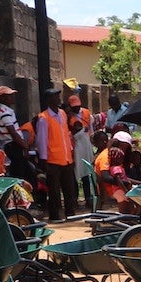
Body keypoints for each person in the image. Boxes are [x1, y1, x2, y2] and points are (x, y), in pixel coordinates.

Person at [35, 88, 79, 222]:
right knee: (54, 191)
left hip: (66, 158)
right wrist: (44, 160)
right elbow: (41, 141)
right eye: (55, 97)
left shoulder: (62, 114)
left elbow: (65, 134)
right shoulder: (43, 118)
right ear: (49, 100)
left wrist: (71, 152)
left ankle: (70, 214)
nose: (58, 99)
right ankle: (54, 216)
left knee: (69, 189)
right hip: (53, 160)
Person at [0, 85, 31, 181]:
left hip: (15, 145)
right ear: (2, 98)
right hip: (12, 145)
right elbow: (13, 132)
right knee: (19, 173)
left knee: (28, 171)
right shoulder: (3, 112)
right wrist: (24, 146)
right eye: (9, 96)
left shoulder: (8, 111)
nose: (12, 97)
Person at [67, 93, 95, 211]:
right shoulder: (68, 117)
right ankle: (76, 198)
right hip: (76, 147)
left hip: (86, 145)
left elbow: (91, 129)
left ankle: (88, 198)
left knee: (86, 173)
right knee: (75, 174)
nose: (77, 108)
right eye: (74, 107)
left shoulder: (86, 113)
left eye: (78, 106)